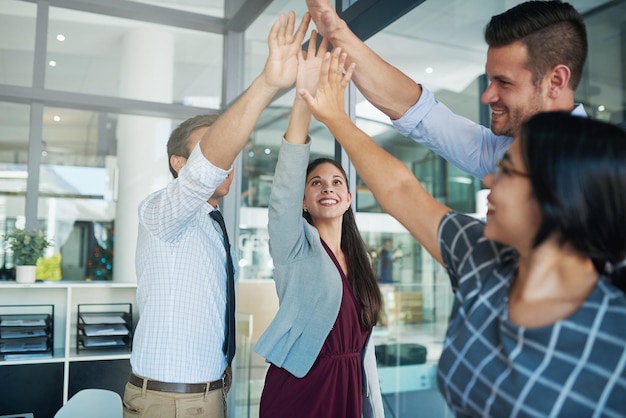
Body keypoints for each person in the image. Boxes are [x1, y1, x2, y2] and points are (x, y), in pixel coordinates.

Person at [300, 48, 626, 417]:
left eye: (508, 172)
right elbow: (400, 190)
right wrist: (334, 117)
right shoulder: (483, 256)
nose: (488, 180)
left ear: (556, 198)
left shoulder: (614, 338)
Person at [123, 11, 310, 418]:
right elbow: (201, 174)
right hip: (169, 402)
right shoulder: (160, 211)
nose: (228, 162)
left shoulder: (212, 225)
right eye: (212, 150)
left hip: (208, 394)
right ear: (178, 163)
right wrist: (267, 84)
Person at [306, 0, 588, 178]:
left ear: (556, 81)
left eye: (504, 82)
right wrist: (338, 34)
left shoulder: (596, 176)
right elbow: (417, 111)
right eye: (489, 80)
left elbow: (402, 193)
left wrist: (336, 118)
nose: (487, 96)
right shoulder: (501, 149)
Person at [254, 32, 383, 418]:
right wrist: (303, 99)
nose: (328, 188)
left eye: (337, 183)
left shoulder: (359, 261)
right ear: (304, 202)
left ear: (347, 199)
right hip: (302, 388)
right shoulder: (295, 246)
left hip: (348, 388)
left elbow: (365, 349)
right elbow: (285, 183)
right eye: (316, 183)